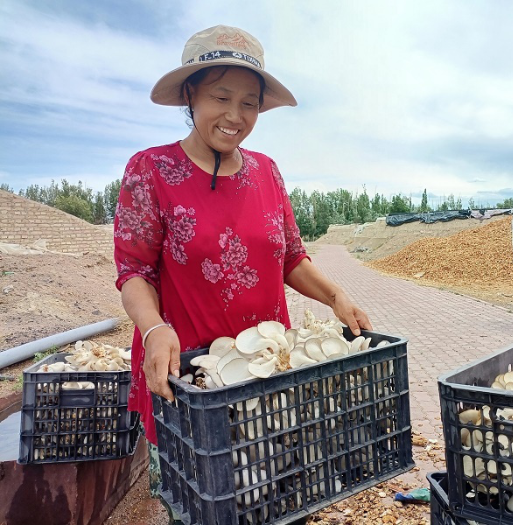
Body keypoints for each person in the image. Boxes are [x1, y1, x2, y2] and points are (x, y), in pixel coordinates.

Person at [113, 25, 372, 521]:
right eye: (221, 97)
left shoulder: (267, 171)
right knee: (204, 503)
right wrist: (153, 327)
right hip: (192, 379)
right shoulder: (150, 170)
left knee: (272, 490)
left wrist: (335, 295)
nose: (235, 116)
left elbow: (292, 257)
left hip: (267, 374)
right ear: (190, 95)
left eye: (249, 103)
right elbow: (134, 272)